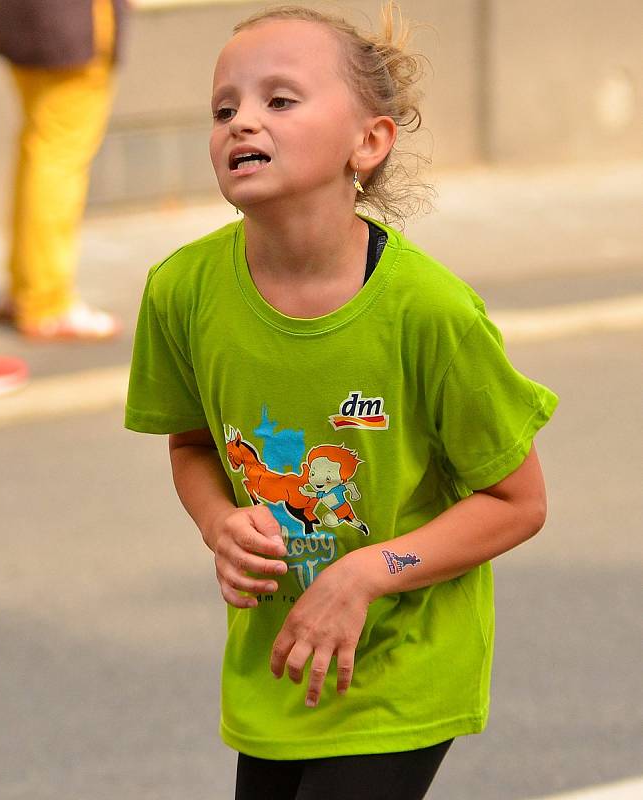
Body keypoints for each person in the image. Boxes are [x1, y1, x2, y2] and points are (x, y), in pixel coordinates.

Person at [125, 4, 559, 798]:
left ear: (369, 141)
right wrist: (219, 521)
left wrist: (365, 574)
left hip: (402, 663)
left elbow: (517, 501)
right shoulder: (180, 292)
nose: (241, 122)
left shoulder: (431, 312)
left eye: (279, 101)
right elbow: (190, 446)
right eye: (224, 108)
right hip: (278, 664)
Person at [0, 0, 128, 339]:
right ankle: (45, 302)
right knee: (58, 158)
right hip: (74, 27)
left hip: (25, 21)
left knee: (38, 151)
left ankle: (27, 289)